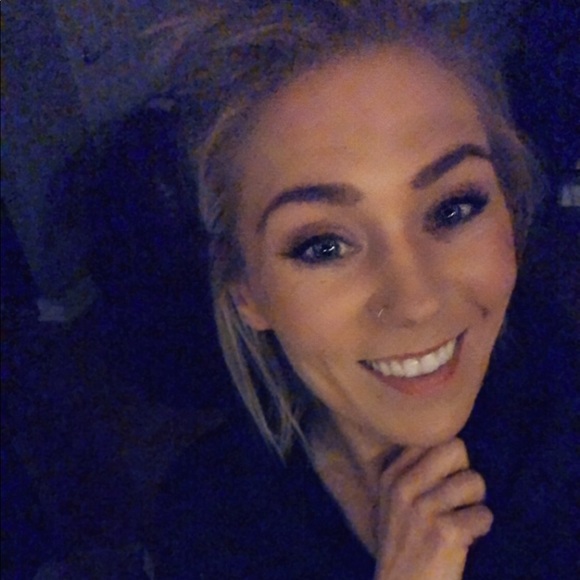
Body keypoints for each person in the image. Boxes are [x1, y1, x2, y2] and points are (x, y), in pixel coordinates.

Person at [148, 2, 578, 578]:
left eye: (454, 208)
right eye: (324, 245)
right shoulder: (205, 527)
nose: (416, 301)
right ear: (247, 290)